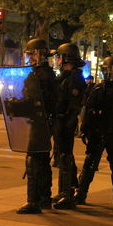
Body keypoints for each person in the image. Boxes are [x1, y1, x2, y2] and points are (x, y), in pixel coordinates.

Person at [75, 56, 113, 208]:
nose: (112, 73)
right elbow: (88, 110)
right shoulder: (98, 89)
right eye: (109, 70)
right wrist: (86, 129)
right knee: (90, 163)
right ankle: (81, 193)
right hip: (98, 132)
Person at [16, 39, 58, 214]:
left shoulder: (38, 75)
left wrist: (16, 106)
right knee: (42, 160)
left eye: (32, 54)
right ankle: (44, 198)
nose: (30, 58)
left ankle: (32, 200)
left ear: (40, 54)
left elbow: (34, 100)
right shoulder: (48, 74)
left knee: (33, 159)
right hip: (45, 121)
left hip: (39, 122)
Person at [53, 43, 86, 209]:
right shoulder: (66, 75)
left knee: (65, 156)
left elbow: (73, 105)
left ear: (66, 58)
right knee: (63, 156)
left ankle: (67, 194)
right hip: (61, 121)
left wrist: (66, 121)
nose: (57, 60)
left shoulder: (74, 78)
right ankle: (64, 191)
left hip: (65, 122)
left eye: (59, 56)